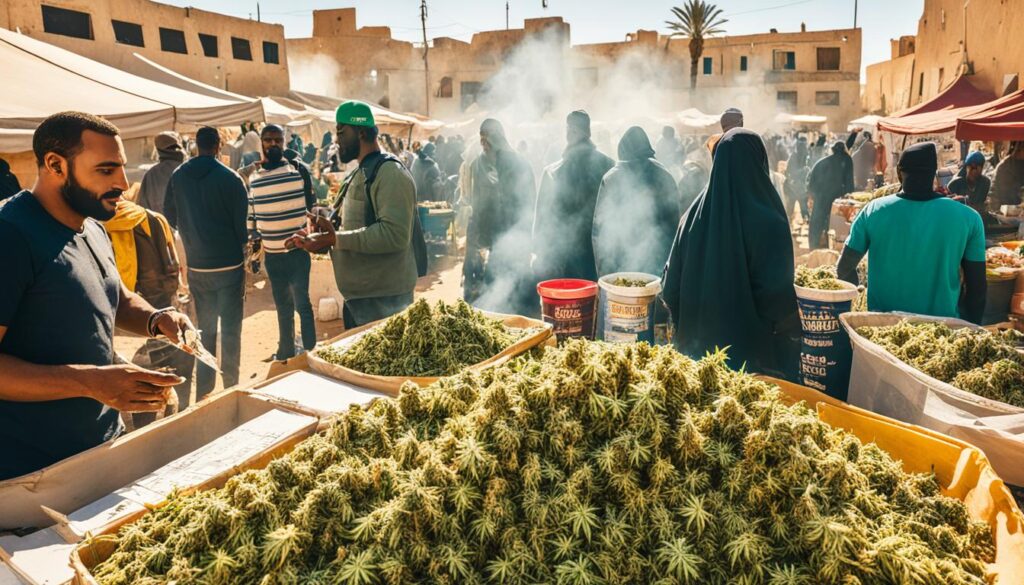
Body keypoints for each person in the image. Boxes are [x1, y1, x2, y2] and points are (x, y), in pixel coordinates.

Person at [0, 112, 190, 480]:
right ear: (55, 165)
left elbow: (114, 295)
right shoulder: (10, 236)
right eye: (105, 170)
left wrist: (155, 318)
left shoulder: (92, 227)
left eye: (120, 167)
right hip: (32, 473)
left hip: (103, 445)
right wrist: (91, 382)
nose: (123, 182)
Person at [662, 129, 799, 379]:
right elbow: (777, 298)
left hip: (694, 366)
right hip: (751, 369)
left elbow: (669, 289)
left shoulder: (690, 217)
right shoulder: (769, 219)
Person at [290, 101, 418, 328]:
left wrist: (336, 238)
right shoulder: (358, 173)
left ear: (360, 132)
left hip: (384, 302)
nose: (336, 139)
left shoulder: (390, 173)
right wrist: (320, 234)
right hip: (359, 300)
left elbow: (395, 234)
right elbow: (351, 229)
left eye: (341, 131)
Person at [837, 142, 987, 324]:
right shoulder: (969, 218)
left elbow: (844, 269)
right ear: (934, 175)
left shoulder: (873, 211)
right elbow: (977, 289)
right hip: (941, 335)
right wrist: (968, 328)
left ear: (900, 174)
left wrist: (859, 299)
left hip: (881, 331)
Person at [164, 126, 248, 398]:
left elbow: (169, 215)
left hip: (198, 268)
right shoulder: (232, 179)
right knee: (232, 329)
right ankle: (232, 386)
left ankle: (205, 390)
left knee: (206, 329)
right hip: (230, 267)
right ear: (218, 146)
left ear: (196, 146)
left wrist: (190, 234)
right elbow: (241, 228)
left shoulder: (179, 176)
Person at [103, 198, 193, 427]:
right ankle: (167, 414)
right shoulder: (150, 219)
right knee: (158, 367)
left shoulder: (96, 226)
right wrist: (168, 300)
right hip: (152, 301)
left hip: (119, 312)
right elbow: (170, 264)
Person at [243, 125, 317, 361]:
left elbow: (309, 207)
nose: (273, 144)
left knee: (302, 304)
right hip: (273, 257)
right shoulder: (254, 180)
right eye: (268, 140)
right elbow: (252, 218)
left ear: (284, 142)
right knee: (283, 308)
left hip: (297, 253)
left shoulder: (298, 172)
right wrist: (254, 240)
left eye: (277, 140)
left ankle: (310, 352)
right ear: (262, 143)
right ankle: (286, 351)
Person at [461, 119, 537, 314]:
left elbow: (529, 205)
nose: (484, 145)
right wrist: (477, 242)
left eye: (487, 140)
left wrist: (525, 239)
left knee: (516, 295)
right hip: (490, 242)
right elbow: (478, 204)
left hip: (515, 240)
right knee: (488, 297)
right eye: (481, 141)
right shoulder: (478, 164)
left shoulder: (520, 165)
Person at [532, 110, 615, 283]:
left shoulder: (553, 172)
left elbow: (542, 219)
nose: (569, 133)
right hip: (594, 256)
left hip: (567, 256)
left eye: (571, 129)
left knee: (570, 304)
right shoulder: (609, 166)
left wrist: (539, 251)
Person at [593, 126, 681, 277]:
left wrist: (603, 273)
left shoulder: (611, 178)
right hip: (658, 267)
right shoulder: (665, 175)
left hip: (618, 267)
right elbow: (674, 225)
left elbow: (599, 230)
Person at [806, 141, 854, 249]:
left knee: (817, 222)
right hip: (836, 198)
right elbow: (849, 182)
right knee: (832, 224)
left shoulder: (822, 162)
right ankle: (830, 247)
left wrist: (812, 196)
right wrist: (849, 195)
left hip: (820, 196)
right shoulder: (847, 159)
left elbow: (811, 181)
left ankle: (813, 247)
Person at [137, 132, 185, 215]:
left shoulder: (151, 175)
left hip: (160, 226)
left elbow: (142, 208)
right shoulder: (188, 169)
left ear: (159, 150)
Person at [948, 150, 992, 221]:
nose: (974, 171)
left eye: (977, 168)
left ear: (981, 168)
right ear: (966, 167)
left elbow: (984, 204)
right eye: (971, 167)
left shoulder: (985, 183)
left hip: (978, 219)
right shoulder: (955, 184)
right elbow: (950, 208)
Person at [784, 137, 811, 222]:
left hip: (802, 188)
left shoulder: (807, 156)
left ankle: (807, 226)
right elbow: (790, 172)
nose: (803, 149)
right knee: (790, 210)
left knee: (804, 209)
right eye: (801, 146)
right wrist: (803, 171)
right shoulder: (794, 157)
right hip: (793, 188)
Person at [992, 141, 1024, 207]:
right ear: (1019, 148)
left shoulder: (1021, 163)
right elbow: (1000, 192)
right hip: (1005, 206)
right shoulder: (1005, 166)